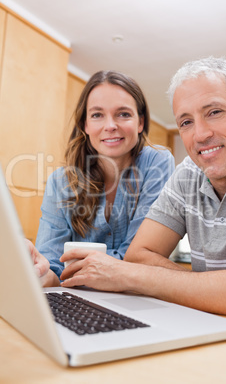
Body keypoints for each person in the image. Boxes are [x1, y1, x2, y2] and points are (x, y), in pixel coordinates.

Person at [57, 57, 226, 327]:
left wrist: (127, 275)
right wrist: (217, 290)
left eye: (214, 112)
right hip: (219, 330)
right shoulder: (189, 173)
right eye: (186, 122)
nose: (200, 134)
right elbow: (138, 256)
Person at [30, 70, 175, 287]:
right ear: (85, 125)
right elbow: (52, 265)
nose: (110, 126)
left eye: (123, 114)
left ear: (141, 123)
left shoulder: (157, 163)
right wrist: (38, 272)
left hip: (135, 297)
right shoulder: (60, 181)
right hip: (77, 300)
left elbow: (138, 258)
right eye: (97, 115)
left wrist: (70, 272)